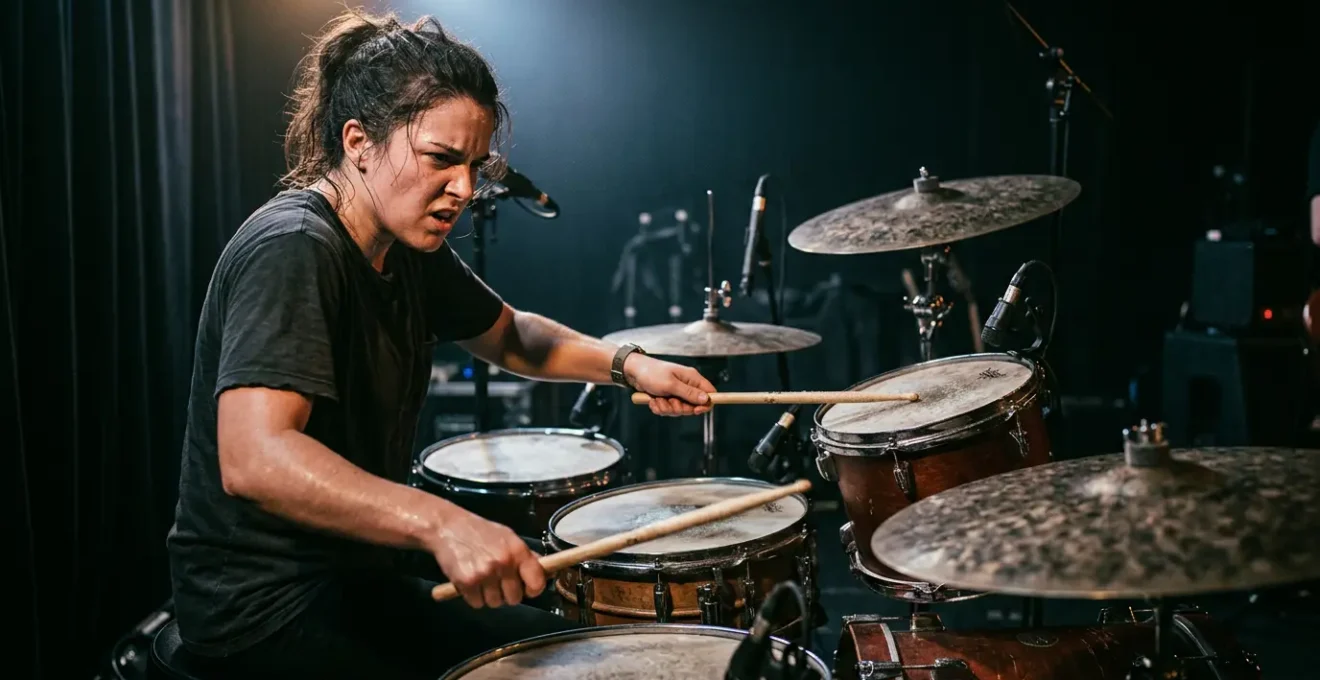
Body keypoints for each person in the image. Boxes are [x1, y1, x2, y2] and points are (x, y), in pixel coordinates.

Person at [164, 9, 717, 679]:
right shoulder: (296, 249)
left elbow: (511, 336)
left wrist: (629, 365)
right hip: (260, 610)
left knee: (565, 651)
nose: (462, 190)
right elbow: (255, 457)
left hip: (354, 578)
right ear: (359, 142)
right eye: (441, 159)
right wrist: (441, 523)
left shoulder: (403, 249)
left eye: (475, 165)